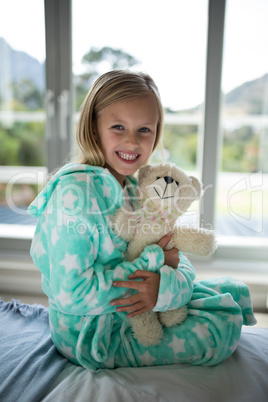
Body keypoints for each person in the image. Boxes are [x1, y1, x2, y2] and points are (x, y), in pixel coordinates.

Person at [28, 70, 256, 372]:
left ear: (156, 133)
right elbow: (72, 293)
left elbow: (173, 252)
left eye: (144, 130)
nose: (132, 141)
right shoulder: (76, 194)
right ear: (94, 128)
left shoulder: (136, 188)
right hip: (92, 332)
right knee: (219, 330)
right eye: (118, 127)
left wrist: (167, 285)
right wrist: (152, 270)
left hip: (130, 304)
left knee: (231, 291)